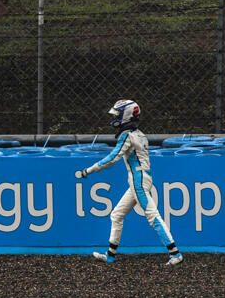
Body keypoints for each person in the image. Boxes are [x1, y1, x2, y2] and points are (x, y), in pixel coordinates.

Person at [74, 100, 183, 266]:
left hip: (138, 181)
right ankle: (110, 255)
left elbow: (112, 158)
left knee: (153, 216)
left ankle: (175, 253)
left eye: (118, 114)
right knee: (116, 215)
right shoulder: (140, 134)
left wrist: (88, 171)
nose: (115, 118)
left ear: (126, 115)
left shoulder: (127, 136)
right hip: (140, 179)